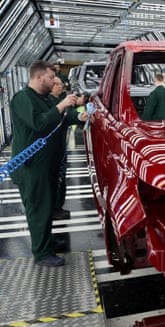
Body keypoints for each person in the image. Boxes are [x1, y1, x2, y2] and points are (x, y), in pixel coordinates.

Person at [10, 60, 88, 267]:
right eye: (51, 77)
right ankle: (42, 253)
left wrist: (80, 115)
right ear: (38, 77)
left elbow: (61, 118)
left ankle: (47, 241)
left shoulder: (44, 99)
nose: (55, 80)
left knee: (47, 206)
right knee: (38, 209)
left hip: (46, 166)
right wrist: (62, 105)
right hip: (31, 167)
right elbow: (39, 123)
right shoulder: (22, 98)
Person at [50, 77, 70, 220]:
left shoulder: (58, 101)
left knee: (61, 176)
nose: (60, 87)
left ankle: (58, 206)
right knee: (56, 178)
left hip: (60, 146)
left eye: (60, 84)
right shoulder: (50, 103)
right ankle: (55, 208)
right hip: (53, 149)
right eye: (56, 84)